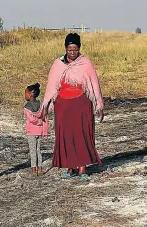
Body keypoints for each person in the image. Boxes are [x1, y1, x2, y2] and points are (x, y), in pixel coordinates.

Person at [41, 33, 104, 179]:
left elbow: (94, 85)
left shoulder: (86, 63)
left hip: (81, 104)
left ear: (79, 48)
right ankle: (71, 167)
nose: (72, 52)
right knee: (65, 136)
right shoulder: (58, 64)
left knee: (81, 134)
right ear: (65, 48)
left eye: (75, 49)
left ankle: (82, 168)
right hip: (62, 106)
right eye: (70, 49)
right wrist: (45, 106)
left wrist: (99, 105)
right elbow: (51, 86)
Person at [23, 83, 48, 176]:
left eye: (25, 93)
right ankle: (40, 169)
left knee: (33, 151)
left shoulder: (26, 107)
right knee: (38, 150)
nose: (25, 95)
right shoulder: (42, 106)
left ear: (30, 94)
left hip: (31, 132)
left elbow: (32, 119)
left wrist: (38, 122)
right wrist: (45, 131)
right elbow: (45, 119)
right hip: (40, 132)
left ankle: (34, 170)